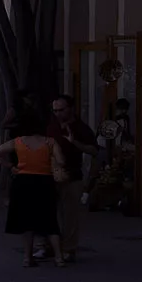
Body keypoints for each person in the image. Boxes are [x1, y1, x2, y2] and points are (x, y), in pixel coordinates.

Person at [0, 109, 64, 267]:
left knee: (26, 222)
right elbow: (61, 161)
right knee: (50, 220)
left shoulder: (18, 142)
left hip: (23, 182)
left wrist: (11, 166)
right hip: (45, 182)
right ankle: (59, 257)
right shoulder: (50, 142)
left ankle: (27, 257)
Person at [48, 94, 98, 261]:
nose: (58, 114)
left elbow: (94, 150)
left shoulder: (80, 128)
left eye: (61, 110)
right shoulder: (51, 125)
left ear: (70, 109)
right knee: (48, 213)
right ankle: (50, 246)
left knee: (70, 216)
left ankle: (68, 249)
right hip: (50, 175)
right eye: (55, 110)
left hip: (72, 175)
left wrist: (74, 142)